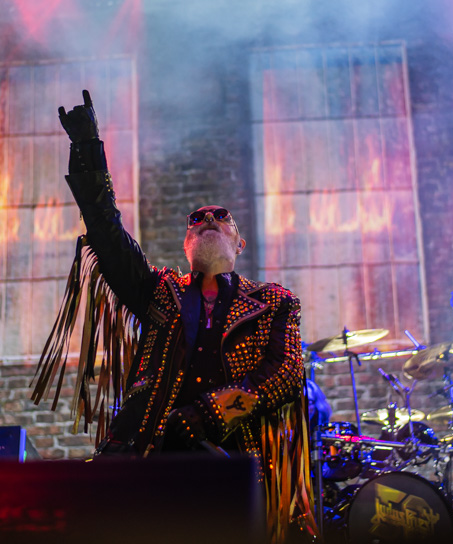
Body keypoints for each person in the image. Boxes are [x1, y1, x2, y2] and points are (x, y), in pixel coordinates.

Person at [31, 91, 317, 542]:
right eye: (196, 218)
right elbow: (106, 232)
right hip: (148, 456)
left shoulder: (274, 302)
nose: (207, 218)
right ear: (186, 246)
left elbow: (284, 373)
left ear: (238, 243)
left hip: (234, 463)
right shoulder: (159, 292)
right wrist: (88, 148)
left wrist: (208, 414)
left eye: (220, 217)